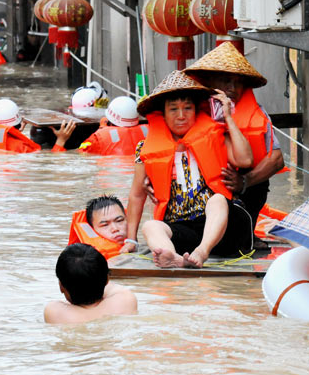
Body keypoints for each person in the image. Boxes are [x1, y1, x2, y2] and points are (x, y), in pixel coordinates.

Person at [125, 71, 254, 268]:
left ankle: (202, 251)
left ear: (196, 110)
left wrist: (227, 117)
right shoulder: (145, 148)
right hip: (182, 229)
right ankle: (173, 258)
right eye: (174, 109)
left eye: (187, 108)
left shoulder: (216, 136)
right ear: (163, 114)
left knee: (218, 199)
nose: (181, 116)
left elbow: (245, 160)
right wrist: (131, 240)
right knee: (151, 226)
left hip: (225, 226)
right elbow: (136, 195)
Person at [184, 42, 285, 217]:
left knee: (256, 181)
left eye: (238, 83)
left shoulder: (256, 113)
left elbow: (277, 160)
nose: (232, 88)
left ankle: (246, 230)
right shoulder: (187, 109)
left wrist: (244, 181)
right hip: (200, 188)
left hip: (244, 187)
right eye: (226, 80)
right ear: (208, 80)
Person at [44, 243, 137, 324]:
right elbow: (111, 286)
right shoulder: (125, 300)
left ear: (61, 287)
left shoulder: (54, 312)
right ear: (107, 280)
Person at [0, 98, 75, 152]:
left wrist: (15, 133)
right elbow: (52, 162)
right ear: (19, 123)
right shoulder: (22, 148)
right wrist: (61, 140)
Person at [78, 96, 148, 156]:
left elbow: (80, 153)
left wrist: (102, 128)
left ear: (109, 120)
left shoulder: (98, 138)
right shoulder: (149, 131)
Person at [68, 195, 129, 259]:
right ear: (92, 230)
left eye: (119, 220)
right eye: (105, 225)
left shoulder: (134, 245)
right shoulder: (87, 261)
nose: (115, 229)